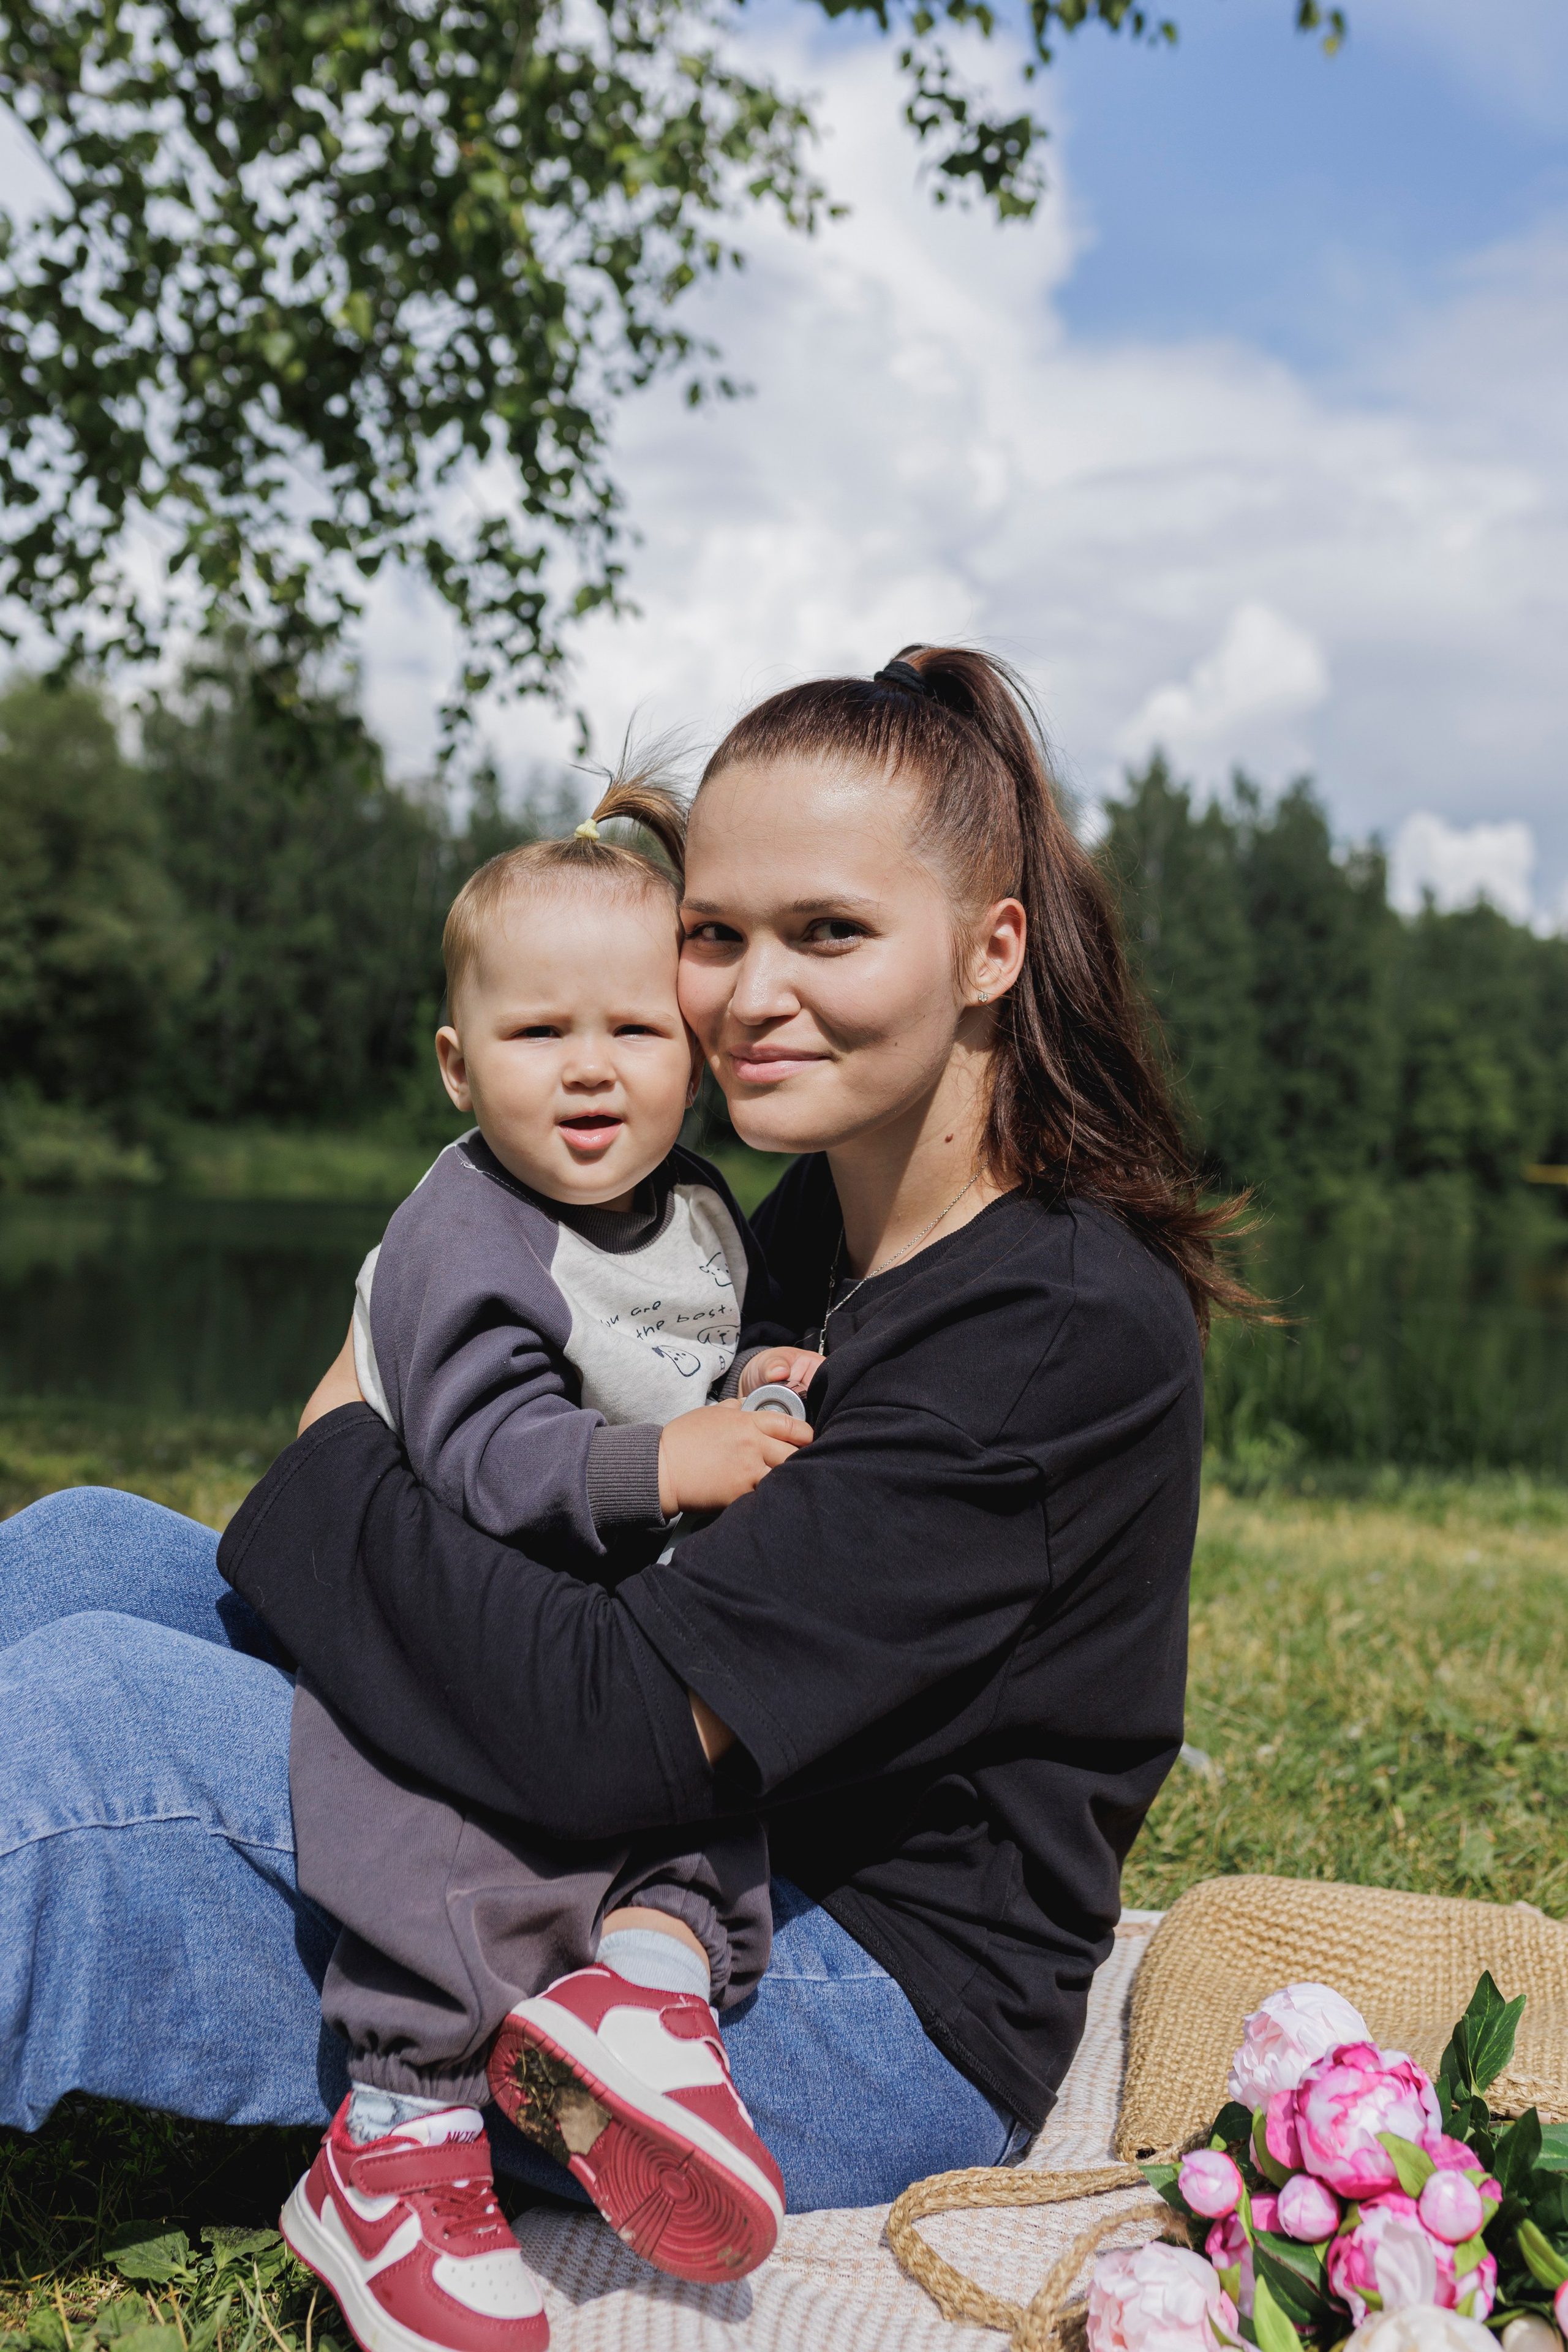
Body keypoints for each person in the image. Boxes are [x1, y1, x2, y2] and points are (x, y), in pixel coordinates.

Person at [0, 644, 1243, 2345]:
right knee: (83, 1548)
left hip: (833, 2002)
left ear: (990, 948)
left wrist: (333, 1460)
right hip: (669, 1844)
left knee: (101, 1728)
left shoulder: (1052, 1331)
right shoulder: (808, 1219)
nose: (746, 994)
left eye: (829, 933)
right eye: (716, 934)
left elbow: (610, 1725)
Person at [283, 768, 827, 2344]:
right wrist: (668, 1461)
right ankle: (395, 2138)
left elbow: (686, 1351)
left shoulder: (696, 1207)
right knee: (438, 1862)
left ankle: (644, 1998)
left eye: (635, 1033)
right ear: (459, 1066)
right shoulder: (469, 1231)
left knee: (715, 1803)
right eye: (537, 1038)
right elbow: (480, 1446)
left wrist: (756, 1386)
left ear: (694, 1053)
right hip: (438, 1632)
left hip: (606, 1625)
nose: (590, 1075)